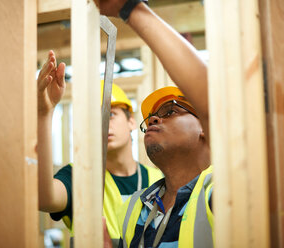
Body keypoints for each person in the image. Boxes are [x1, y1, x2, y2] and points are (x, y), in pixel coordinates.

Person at [98, 0, 213, 247]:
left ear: (205, 125)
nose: (153, 119)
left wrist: (130, 8)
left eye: (171, 110)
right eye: (150, 118)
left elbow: (216, 106)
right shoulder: (132, 209)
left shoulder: (220, 189)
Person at [37, 50, 163, 247]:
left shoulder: (160, 181)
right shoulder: (79, 177)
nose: (103, 124)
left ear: (131, 121)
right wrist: (44, 113)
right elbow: (45, 198)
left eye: (110, 114)